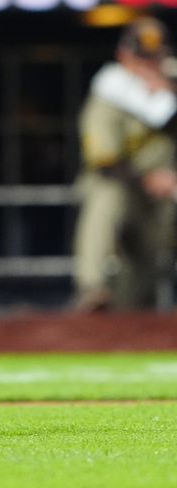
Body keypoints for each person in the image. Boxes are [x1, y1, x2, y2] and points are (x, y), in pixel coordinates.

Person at [73, 16, 177, 312]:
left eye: (155, 57)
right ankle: (91, 288)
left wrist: (167, 90)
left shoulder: (169, 85)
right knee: (105, 195)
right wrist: (148, 179)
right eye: (141, 58)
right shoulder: (110, 91)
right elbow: (104, 162)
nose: (148, 65)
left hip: (161, 196)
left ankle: (138, 307)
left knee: (143, 277)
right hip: (120, 185)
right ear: (124, 55)